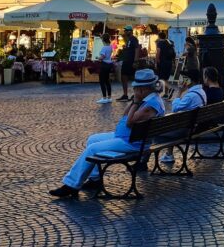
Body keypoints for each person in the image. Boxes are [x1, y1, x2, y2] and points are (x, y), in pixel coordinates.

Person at [50, 69, 165, 198]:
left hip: (133, 142)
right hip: (130, 137)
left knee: (92, 149)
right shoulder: (150, 99)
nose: (135, 91)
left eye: (136, 88)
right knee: (92, 139)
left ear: (143, 89)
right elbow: (125, 114)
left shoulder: (151, 104)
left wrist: (136, 102)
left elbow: (129, 122)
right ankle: (95, 179)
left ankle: (71, 185)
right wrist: (134, 102)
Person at [117, 26, 140, 101]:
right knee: (124, 77)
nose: (125, 32)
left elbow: (137, 49)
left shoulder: (133, 39)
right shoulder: (128, 40)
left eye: (126, 30)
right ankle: (125, 95)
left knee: (133, 77)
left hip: (131, 61)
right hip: (126, 61)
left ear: (130, 31)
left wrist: (135, 61)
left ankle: (136, 94)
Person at [155, 31, 175, 96]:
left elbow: (158, 52)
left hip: (162, 62)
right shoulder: (169, 42)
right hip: (169, 62)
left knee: (161, 78)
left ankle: (169, 89)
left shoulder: (160, 43)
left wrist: (156, 61)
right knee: (166, 78)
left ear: (159, 36)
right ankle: (166, 94)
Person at [96, 33, 115, 103]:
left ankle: (104, 98)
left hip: (104, 65)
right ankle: (109, 97)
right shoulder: (110, 47)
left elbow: (102, 57)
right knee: (107, 81)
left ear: (103, 40)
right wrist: (102, 37)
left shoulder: (104, 48)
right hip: (109, 64)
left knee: (102, 81)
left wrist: (98, 58)